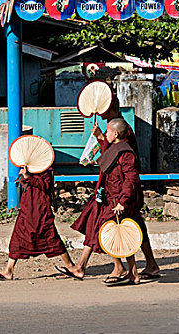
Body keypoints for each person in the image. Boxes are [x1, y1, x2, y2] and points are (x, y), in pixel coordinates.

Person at [57, 119, 144, 285]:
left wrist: (123, 202)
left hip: (118, 201)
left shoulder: (126, 153)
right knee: (106, 231)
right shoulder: (114, 148)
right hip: (107, 198)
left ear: (116, 134)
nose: (106, 134)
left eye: (108, 132)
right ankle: (85, 266)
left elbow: (131, 180)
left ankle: (126, 270)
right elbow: (106, 154)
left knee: (115, 233)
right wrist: (98, 136)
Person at [0, 168, 74, 280]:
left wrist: (28, 177)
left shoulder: (45, 168)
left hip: (40, 209)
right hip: (27, 208)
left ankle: (70, 266)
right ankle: (8, 270)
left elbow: (45, 185)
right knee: (18, 237)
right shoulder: (29, 167)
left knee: (51, 238)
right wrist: (24, 176)